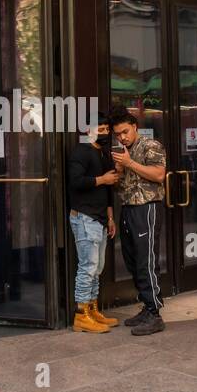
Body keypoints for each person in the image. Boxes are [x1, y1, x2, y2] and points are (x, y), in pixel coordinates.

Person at [110, 109, 167, 336]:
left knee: (146, 260)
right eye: (118, 134)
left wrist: (129, 163)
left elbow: (159, 175)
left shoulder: (151, 145)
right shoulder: (124, 152)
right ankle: (146, 305)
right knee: (132, 260)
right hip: (128, 208)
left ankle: (154, 314)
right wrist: (120, 169)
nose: (122, 137)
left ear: (134, 126)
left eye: (125, 131)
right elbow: (119, 186)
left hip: (148, 207)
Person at [67, 112, 119, 332]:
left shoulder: (103, 154)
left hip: (99, 218)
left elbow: (108, 191)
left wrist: (110, 217)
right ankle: (81, 315)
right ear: (89, 130)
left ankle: (93, 310)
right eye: (101, 129)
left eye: (107, 129)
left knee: (97, 269)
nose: (105, 133)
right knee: (87, 268)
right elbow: (75, 182)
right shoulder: (81, 152)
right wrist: (102, 179)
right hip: (84, 217)